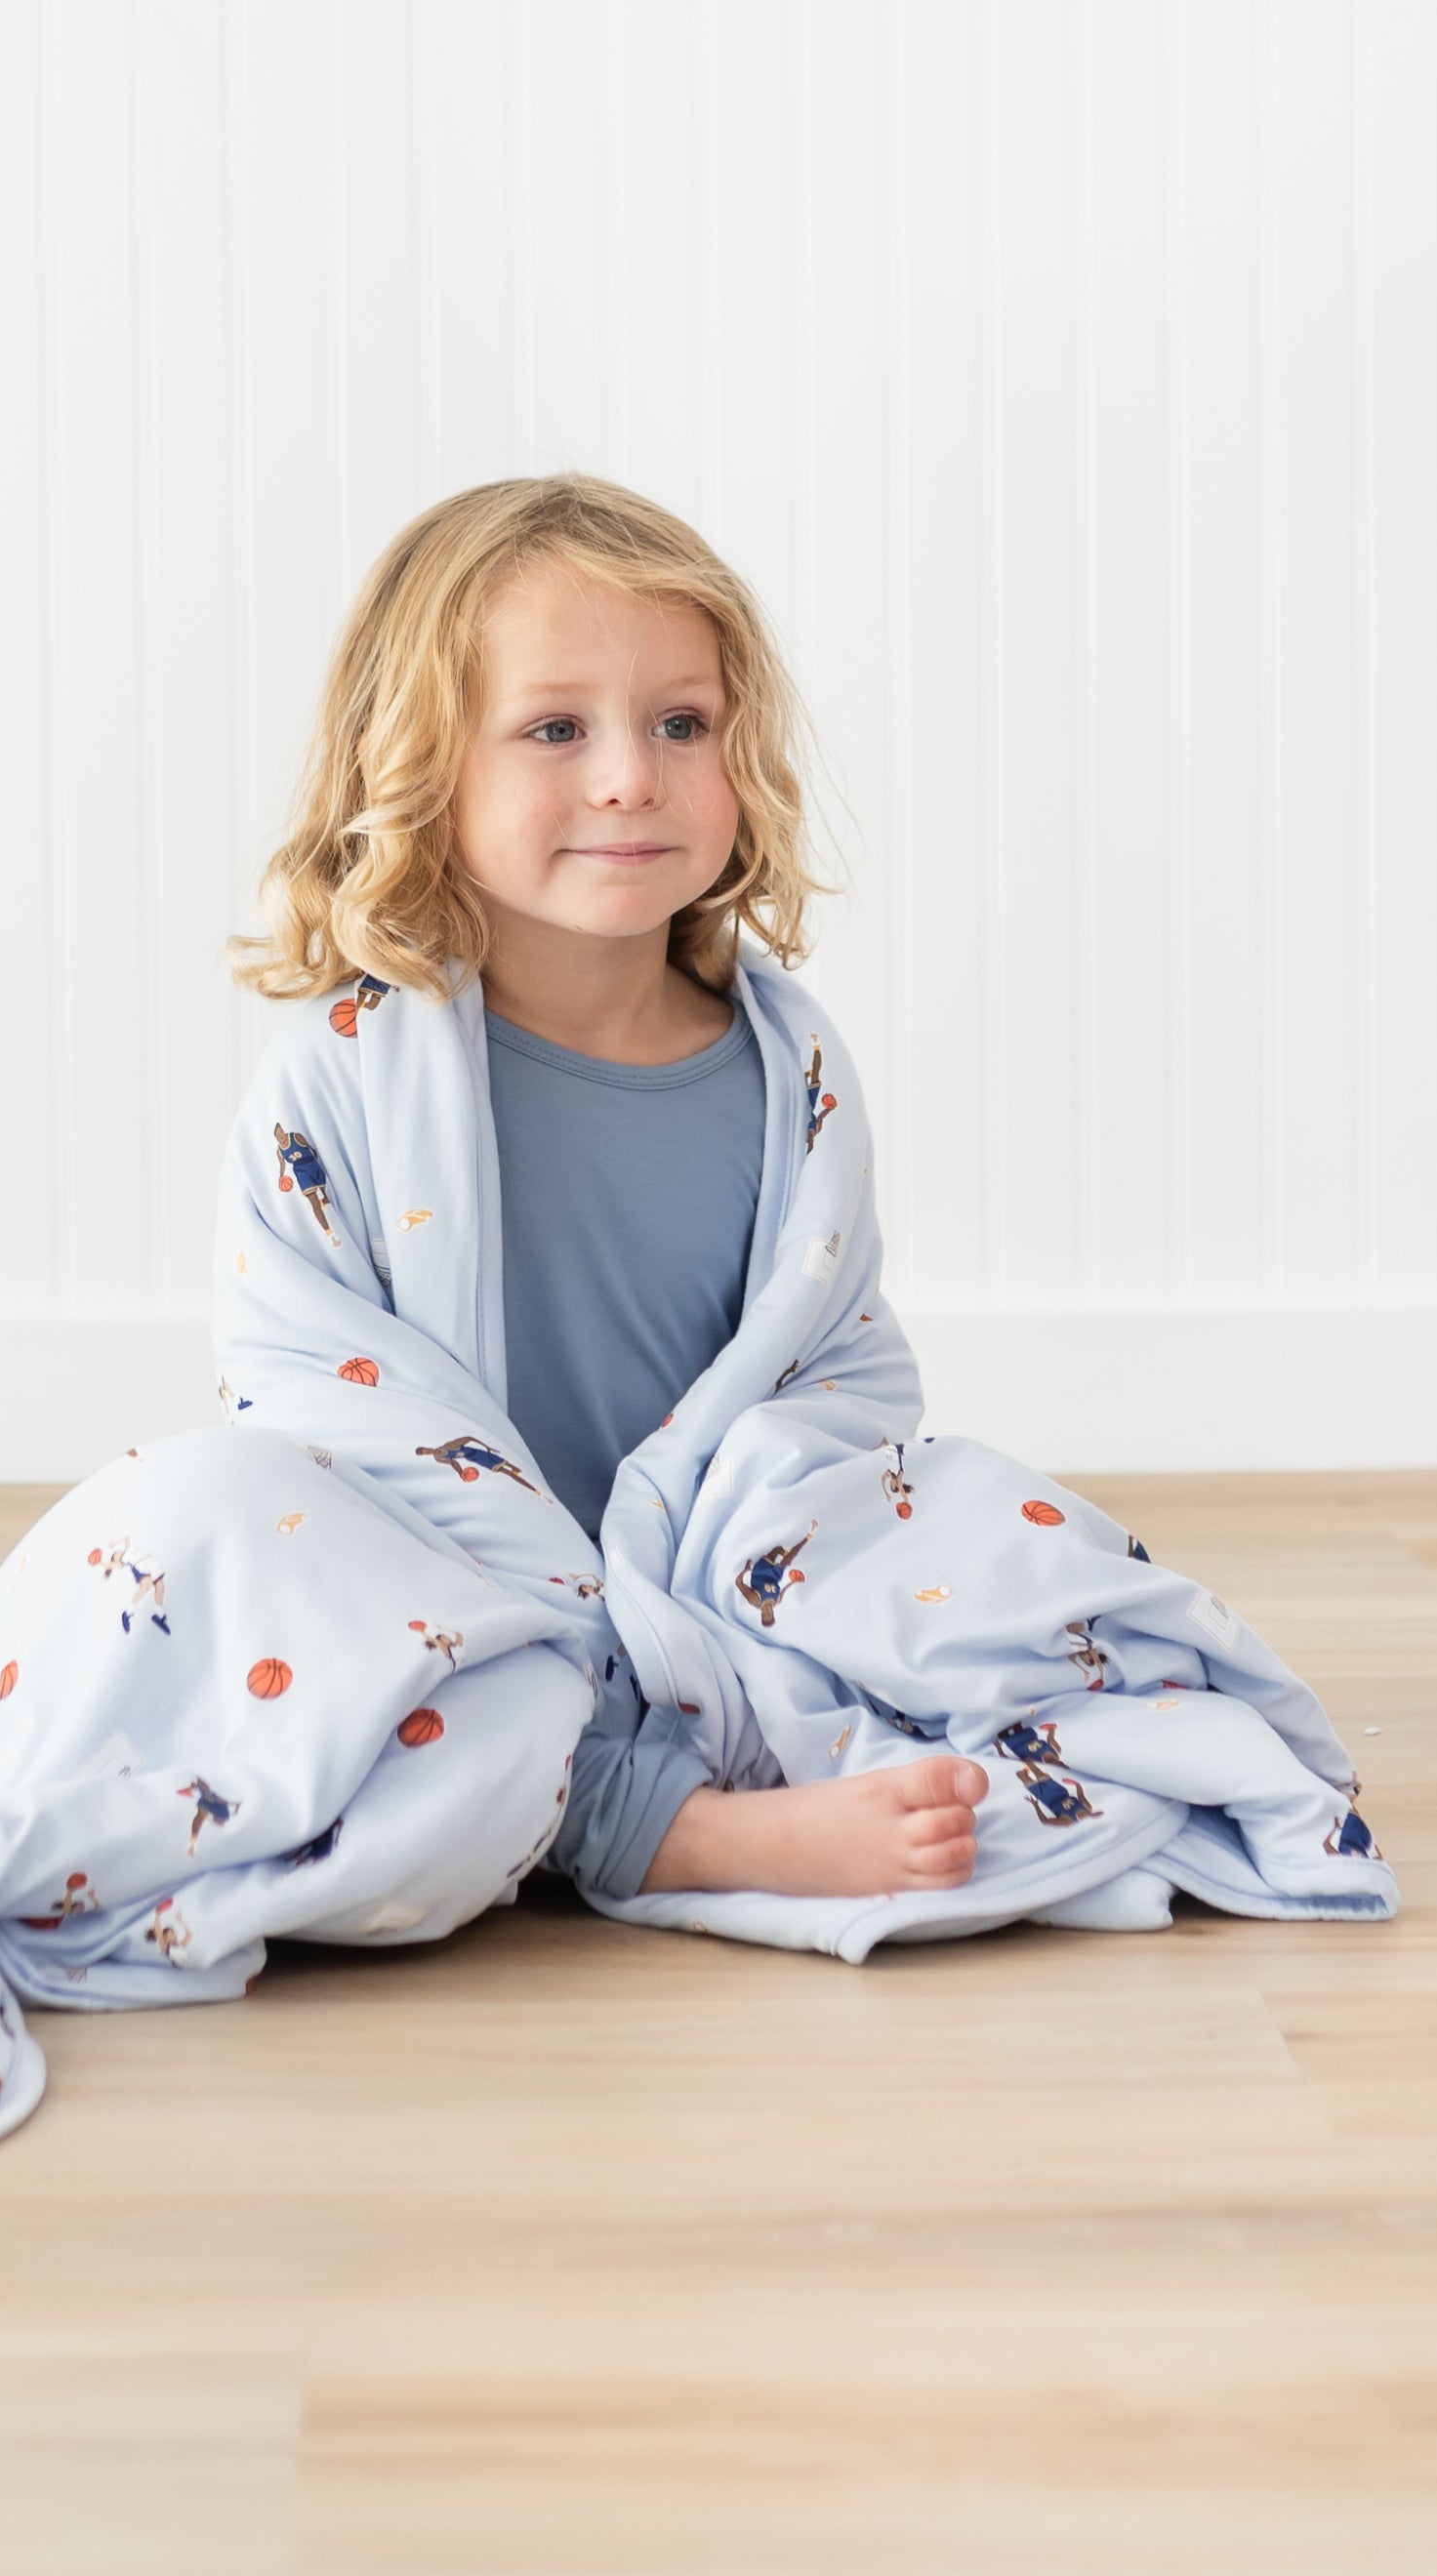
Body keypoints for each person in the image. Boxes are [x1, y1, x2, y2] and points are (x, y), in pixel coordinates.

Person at [225, 472, 990, 1906]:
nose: (632, 776)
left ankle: (695, 1755)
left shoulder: (789, 1069)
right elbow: (313, 1394)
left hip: (717, 1596)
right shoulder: (344, 1075)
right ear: (422, 764)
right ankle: (651, 1822)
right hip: (442, 1606)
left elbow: (836, 1373)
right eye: (556, 729)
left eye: (682, 724)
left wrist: (754, 1559)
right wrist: (545, 1618)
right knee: (192, 1546)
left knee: (1008, 1545)